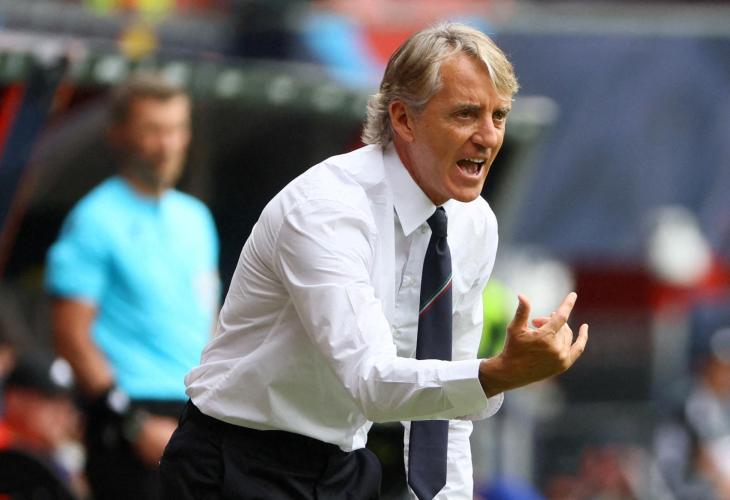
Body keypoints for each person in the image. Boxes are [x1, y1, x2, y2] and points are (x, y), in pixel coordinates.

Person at [160, 22, 588, 500]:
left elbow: (448, 410)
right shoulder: (327, 209)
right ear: (403, 119)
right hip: (235, 467)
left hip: (344, 465)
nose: (488, 136)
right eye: (466, 114)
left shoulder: (475, 223)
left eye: (499, 115)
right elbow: (372, 380)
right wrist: (497, 373)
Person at [44, 73, 220, 499]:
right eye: (153, 130)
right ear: (119, 135)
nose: (167, 144)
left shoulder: (196, 219)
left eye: (177, 129)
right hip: (129, 417)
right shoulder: (95, 218)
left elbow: (211, 321)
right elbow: (70, 335)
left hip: (194, 413)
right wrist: (131, 423)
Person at [0, 352, 83, 498]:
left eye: (66, 402)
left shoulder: (57, 460)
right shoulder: (5, 446)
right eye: (51, 400)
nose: (63, 413)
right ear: (14, 399)